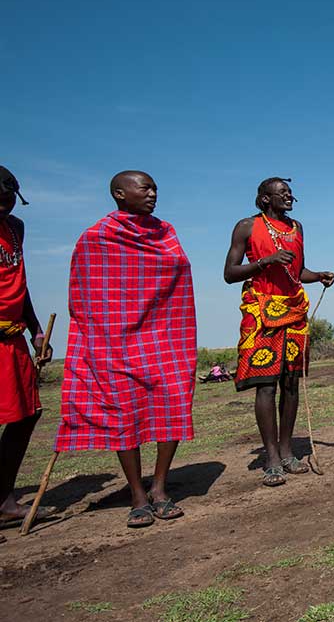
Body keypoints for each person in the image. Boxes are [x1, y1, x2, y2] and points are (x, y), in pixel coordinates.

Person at [56, 171, 195, 527]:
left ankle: (160, 487)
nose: (152, 194)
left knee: (173, 399)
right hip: (114, 338)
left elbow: (178, 276)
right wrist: (96, 337)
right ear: (120, 193)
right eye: (144, 187)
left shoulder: (166, 233)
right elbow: (84, 293)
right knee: (124, 411)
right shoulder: (96, 238)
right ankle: (137, 494)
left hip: (164, 332)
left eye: (155, 188)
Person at [223, 178, 334, 487]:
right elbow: (229, 273)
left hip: (293, 310)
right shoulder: (247, 227)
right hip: (260, 310)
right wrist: (265, 262)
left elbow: (297, 272)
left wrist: (319, 275)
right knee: (266, 385)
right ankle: (271, 459)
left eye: (289, 193)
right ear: (264, 199)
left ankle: (288, 453)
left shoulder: (296, 228)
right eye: (281, 193)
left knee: (290, 383)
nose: (288, 196)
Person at [0, 167, 52, 540]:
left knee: (25, 415)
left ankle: (4, 499)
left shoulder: (15, 228)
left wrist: (35, 329)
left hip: (13, 336)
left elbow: (21, 281)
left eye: (10, 198)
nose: (5, 205)